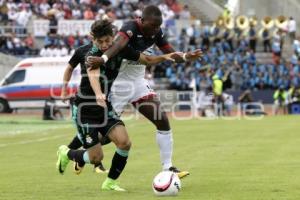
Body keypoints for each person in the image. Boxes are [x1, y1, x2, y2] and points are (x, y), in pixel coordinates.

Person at [56, 19, 184, 191]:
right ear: (93, 39)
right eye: (99, 42)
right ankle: (67, 153)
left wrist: (167, 57)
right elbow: (93, 75)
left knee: (124, 143)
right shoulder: (90, 54)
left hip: (105, 107)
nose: (104, 45)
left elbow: (146, 59)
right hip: (84, 110)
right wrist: (98, 93)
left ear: (113, 38)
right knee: (96, 157)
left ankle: (110, 182)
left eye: (107, 41)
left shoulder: (120, 49)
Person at [85, 5, 202, 178]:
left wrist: (185, 56)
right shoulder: (130, 28)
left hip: (138, 82)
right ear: (142, 20)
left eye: (157, 27)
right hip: (118, 84)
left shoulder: (156, 32)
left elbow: (169, 53)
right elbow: (118, 46)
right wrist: (102, 59)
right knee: (108, 136)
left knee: (161, 120)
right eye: (152, 26)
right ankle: (81, 154)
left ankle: (168, 167)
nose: (154, 30)